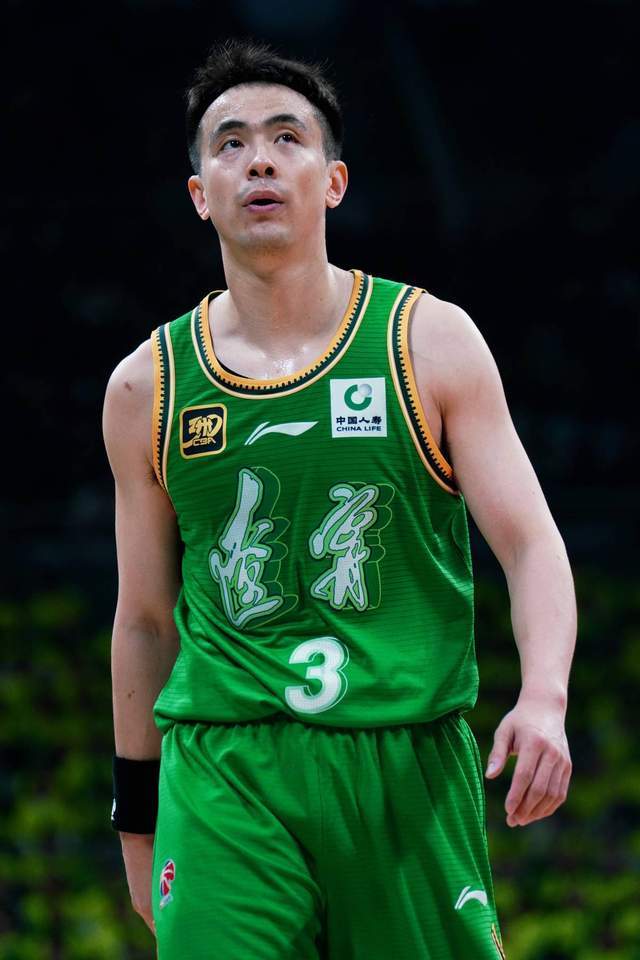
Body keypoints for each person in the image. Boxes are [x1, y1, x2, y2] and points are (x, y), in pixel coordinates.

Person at [102, 39, 575, 960]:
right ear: (200, 193)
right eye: (231, 144)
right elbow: (145, 622)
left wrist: (546, 697)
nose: (260, 160)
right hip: (226, 768)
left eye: (287, 137)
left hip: (404, 760)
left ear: (334, 182)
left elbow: (531, 545)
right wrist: (136, 818)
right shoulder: (146, 386)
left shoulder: (429, 341)